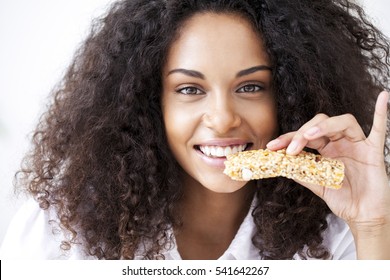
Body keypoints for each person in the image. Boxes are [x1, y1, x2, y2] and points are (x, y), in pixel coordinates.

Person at [0, 0, 389, 260]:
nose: (222, 118)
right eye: (189, 89)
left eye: (250, 87)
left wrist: (373, 226)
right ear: (151, 103)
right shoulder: (61, 228)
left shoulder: (340, 232)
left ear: (289, 95)